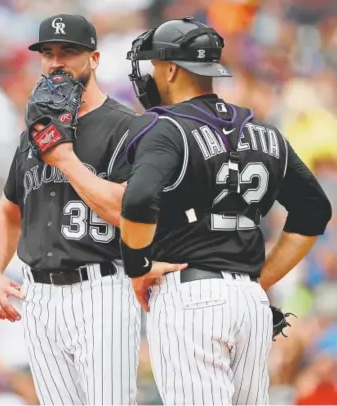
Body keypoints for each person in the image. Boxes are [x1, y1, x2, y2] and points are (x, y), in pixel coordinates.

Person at [118, 17, 332, 405]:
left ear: (170, 69)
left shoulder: (165, 128)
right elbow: (314, 211)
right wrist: (259, 281)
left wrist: (137, 266)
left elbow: (137, 200)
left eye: (154, 66)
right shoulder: (265, 131)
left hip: (189, 298)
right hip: (249, 302)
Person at [0, 13, 145, 406]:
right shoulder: (34, 133)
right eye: (48, 53)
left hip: (102, 289)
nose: (56, 62)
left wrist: (65, 159)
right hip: (39, 296)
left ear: (94, 58)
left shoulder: (128, 128)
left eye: (68, 51)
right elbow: (8, 211)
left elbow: (129, 214)